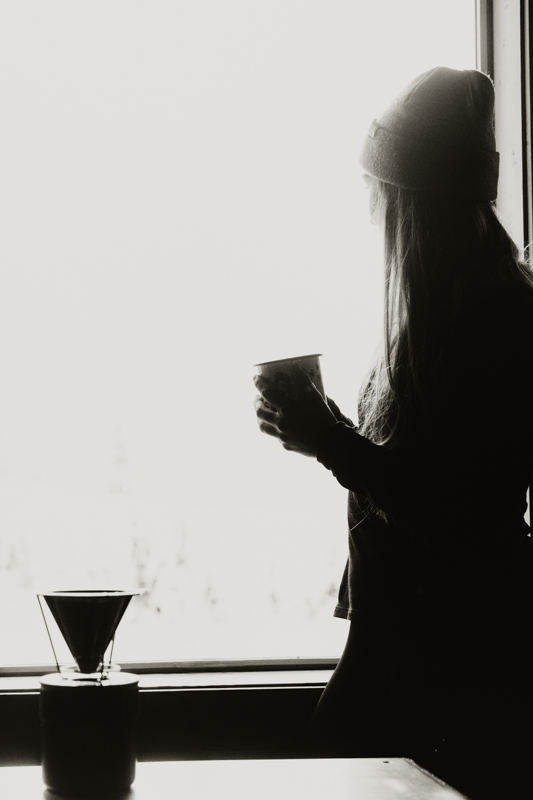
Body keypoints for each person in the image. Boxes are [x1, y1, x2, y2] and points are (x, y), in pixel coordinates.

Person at [253, 67, 533, 799]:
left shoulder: (498, 320)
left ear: (410, 203)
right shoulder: (449, 315)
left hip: (449, 672)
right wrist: (327, 433)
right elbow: (425, 478)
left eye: (379, 196)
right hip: (408, 661)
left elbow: (459, 509)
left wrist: (332, 442)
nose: (370, 213)